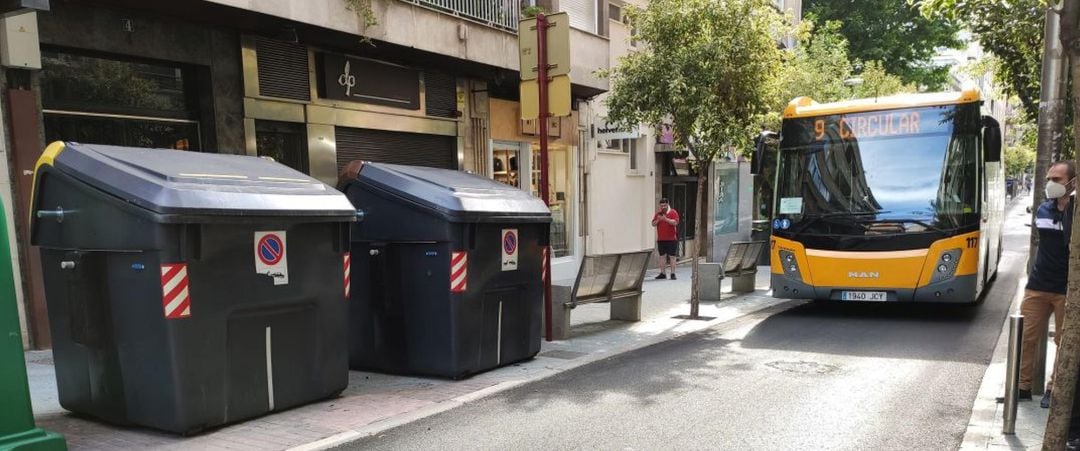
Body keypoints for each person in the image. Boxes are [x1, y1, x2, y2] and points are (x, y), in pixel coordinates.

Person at [1020, 160, 1075, 408]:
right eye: (1049, 179)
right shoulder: (1043, 209)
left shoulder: (1075, 212)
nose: (1051, 184)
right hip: (1038, 284)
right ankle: (1021, 387)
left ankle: (1053, 389)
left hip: (1067, 288)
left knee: (1063, 343)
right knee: (1025, 336)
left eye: (1057, 180)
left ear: (1072, 182)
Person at [652, 198, 680, 280]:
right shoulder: (658, 214)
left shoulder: (673, 212)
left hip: (671, 239)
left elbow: (675, 222)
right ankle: (663, 273)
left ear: (668, 204)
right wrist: (658, 220)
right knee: (662, 256)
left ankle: (673, 273)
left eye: (664, 205)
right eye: (661, 206)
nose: (663, 207)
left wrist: (666, 219)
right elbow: (653, 224)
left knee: (672, 256)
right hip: (661, 239)